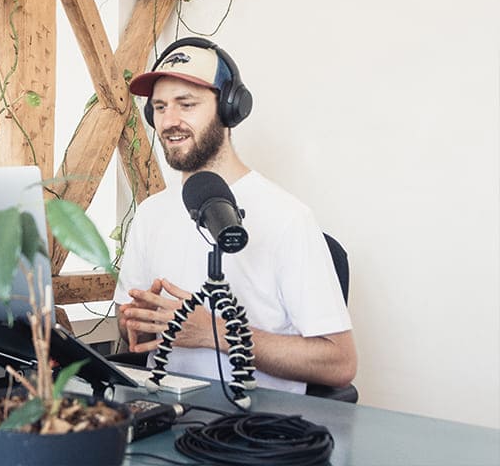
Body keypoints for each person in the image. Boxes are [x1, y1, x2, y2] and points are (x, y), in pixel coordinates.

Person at [114, 38, 357, 393]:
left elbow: (340, 363)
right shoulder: (151, 214)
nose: (169, 121)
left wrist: (215, 332)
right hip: (164, 420)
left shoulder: (287, 217)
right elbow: (130, 329)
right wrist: (141, 319)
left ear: (230, 108)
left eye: (187, 104)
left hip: (255, 433)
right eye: (161, 107)